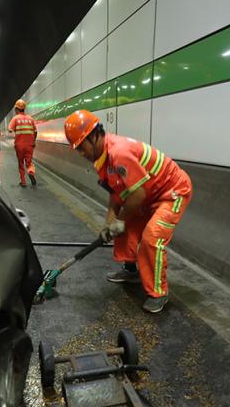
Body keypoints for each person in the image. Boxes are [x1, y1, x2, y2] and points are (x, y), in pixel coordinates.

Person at [64, 110, 193, 313]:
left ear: (94, 136)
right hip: (147, 195)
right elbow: (116, 195)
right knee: (121, 229)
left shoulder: (119, 153)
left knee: (152, 239)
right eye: (77, 149)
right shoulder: (102, 160)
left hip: (172, 192)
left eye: (81, 146)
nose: (81, 153)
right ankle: (132, 271)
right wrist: (110, 223)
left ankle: (159, 292)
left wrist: (119, 221)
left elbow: (137, 196)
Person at [7, 99, 37, 187]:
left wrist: (15, 130)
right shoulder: (31, 119)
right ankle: (31, 172)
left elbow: (10, 129)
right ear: (24, 109)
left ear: (16, 109)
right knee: (29, 162)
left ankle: (23, 181)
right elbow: (35, 131)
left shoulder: (15, 118)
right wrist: (33, 141)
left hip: (19, 145)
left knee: (21, 163)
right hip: (29, 145)